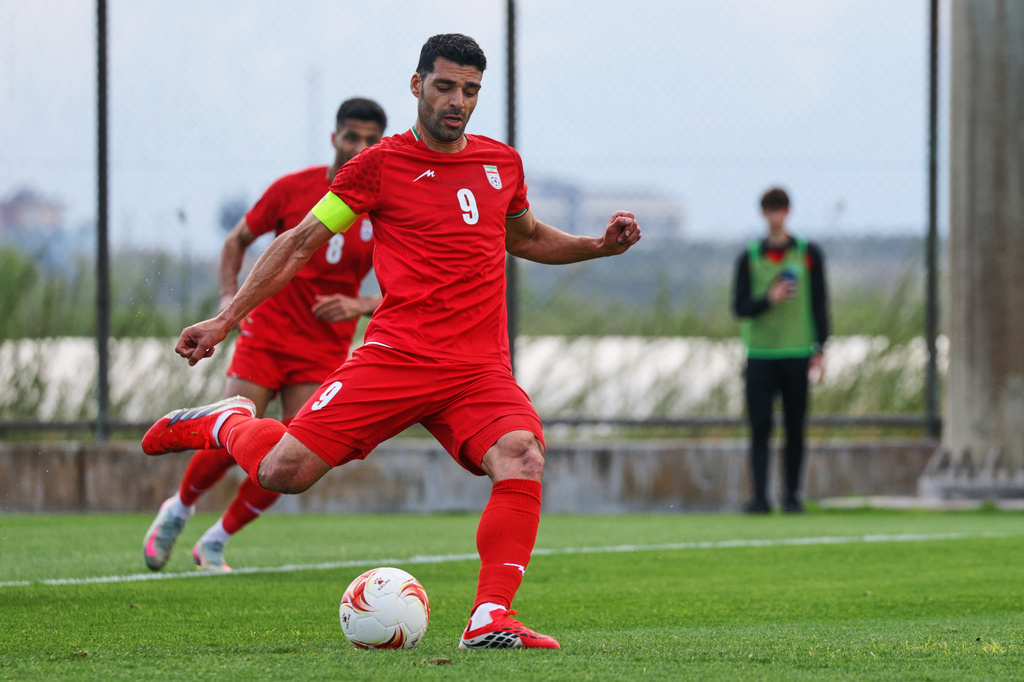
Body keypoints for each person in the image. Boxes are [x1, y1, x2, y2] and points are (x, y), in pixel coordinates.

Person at [142, 33, 640, 649]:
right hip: (398, 357)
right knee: (282, 472)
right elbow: (297, 243)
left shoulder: (500, 164)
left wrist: (598, 245)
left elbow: (528, 238)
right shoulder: (380, 165)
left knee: (522, 455)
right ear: (417, 85)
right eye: (445, 86)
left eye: (470, 90)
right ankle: (226, 424)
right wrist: (225, 320)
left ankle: (489, 617)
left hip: (478, 369)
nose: (457, 101)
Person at [142, 98, 387, 573]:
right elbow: (237, 240)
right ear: (335, 138)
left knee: (296, 455)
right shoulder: (293, 189)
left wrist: (360, 305)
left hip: (323, 349)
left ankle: (215, 541)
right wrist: (228, 301)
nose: (361, 147)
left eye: (372, 140)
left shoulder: (383, 202)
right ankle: (178, 510)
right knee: (234, 432)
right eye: (353, 137)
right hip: (267, 335)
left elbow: (408, 287)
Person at [732, 187, 829, 514]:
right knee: (759, 428)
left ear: (788, 211)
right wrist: (768, 299)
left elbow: (819, 303)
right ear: (763, 213)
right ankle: (759, 498)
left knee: (795, 428)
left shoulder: (807, 252)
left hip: (797, 351)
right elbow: (739, 306)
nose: (776, 214)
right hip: (760, 354)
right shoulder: (750, 255)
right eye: (770, 208)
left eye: (781, 208)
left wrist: (821, 348)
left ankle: (792, 497)